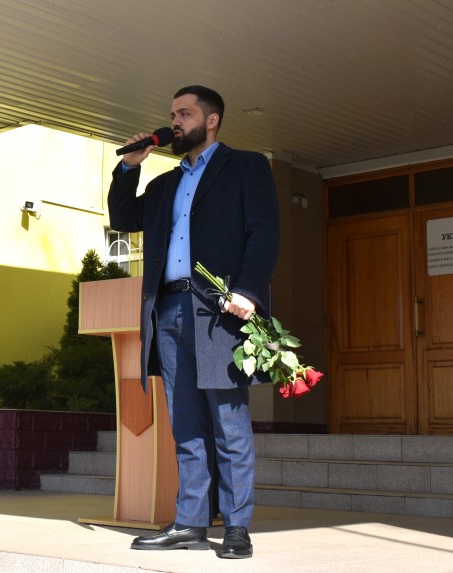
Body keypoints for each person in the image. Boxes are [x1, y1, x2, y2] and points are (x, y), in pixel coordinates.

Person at [108, 85, 279, 560]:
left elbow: (264, 232)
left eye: (184, 114)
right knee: (185, 423)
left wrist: (248, 291)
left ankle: (237, 526)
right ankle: (190, 522)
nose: (175, 122)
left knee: (228, 422)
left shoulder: (246, 167)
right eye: (172, 115)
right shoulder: (164, 184)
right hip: (168, 310)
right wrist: (130, 167)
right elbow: (123, 217)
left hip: (220, 310)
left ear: (212, 120)